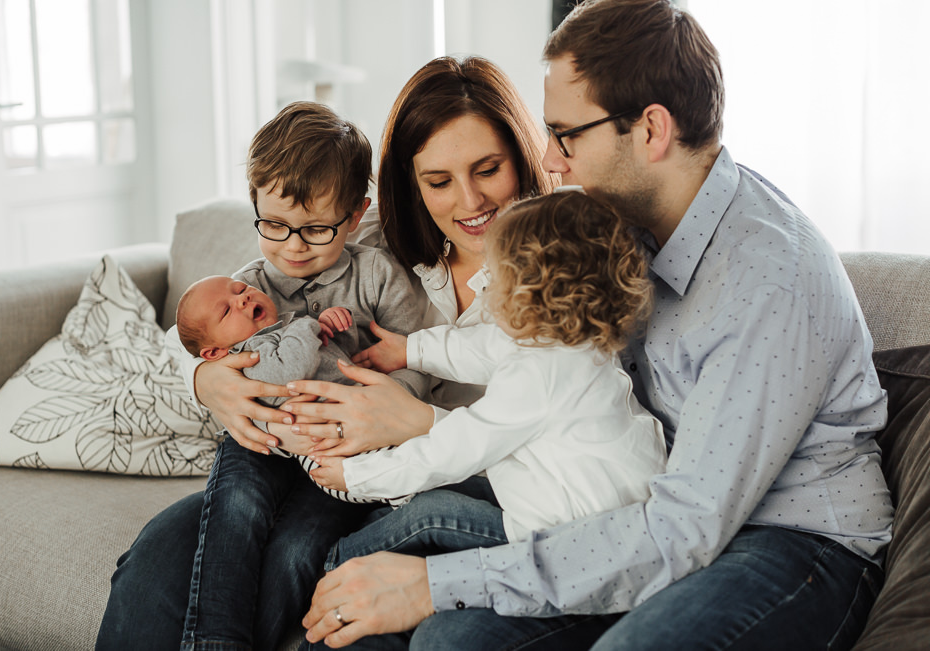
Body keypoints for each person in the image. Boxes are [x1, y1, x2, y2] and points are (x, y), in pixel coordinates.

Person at [288, 2, 893, 649]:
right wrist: (217, 369)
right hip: (631, 506)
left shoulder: (765, 277)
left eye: (566, 134)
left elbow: (680, 530)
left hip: (789, 540)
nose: (549, 160)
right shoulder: (608, 226)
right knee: (451, 638)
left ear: (652, 130)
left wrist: (436, 581)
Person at [96, 57, 553, 650]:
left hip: (419, 478)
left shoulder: (561, 267)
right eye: (438, 181)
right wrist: (207, 377)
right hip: (297, 451)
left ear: (522, 155)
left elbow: (559, 420)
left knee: (298, 553)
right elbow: (208, 315)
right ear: (410, 183)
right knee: (157, 556)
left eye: (488, 169)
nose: (468, 200)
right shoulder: (364, 243)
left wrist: (409, 418)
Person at [311, 190, 666, 570]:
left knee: (430, 512)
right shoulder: (572, 343)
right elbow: (484, 347)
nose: (484, 284)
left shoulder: (538, 376)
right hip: (603, 511)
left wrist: (357, 476)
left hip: (568, 542)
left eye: (494, 276)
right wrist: (411, 350)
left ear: (526, 294)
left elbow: (453, 448)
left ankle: (332, 566)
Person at [175, 274, 407, 505]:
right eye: (225, 312)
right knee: (387, 475)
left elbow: (341, 359)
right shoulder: (252, 355)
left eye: (241, 289)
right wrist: (309, 325)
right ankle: (403, 496)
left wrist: (335, 329)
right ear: (215, 353)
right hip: (329, 448)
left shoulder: (286, 329)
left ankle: (405, 493)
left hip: (361, 417)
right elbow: (291, 370)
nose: (243, 299)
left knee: (405, 461)